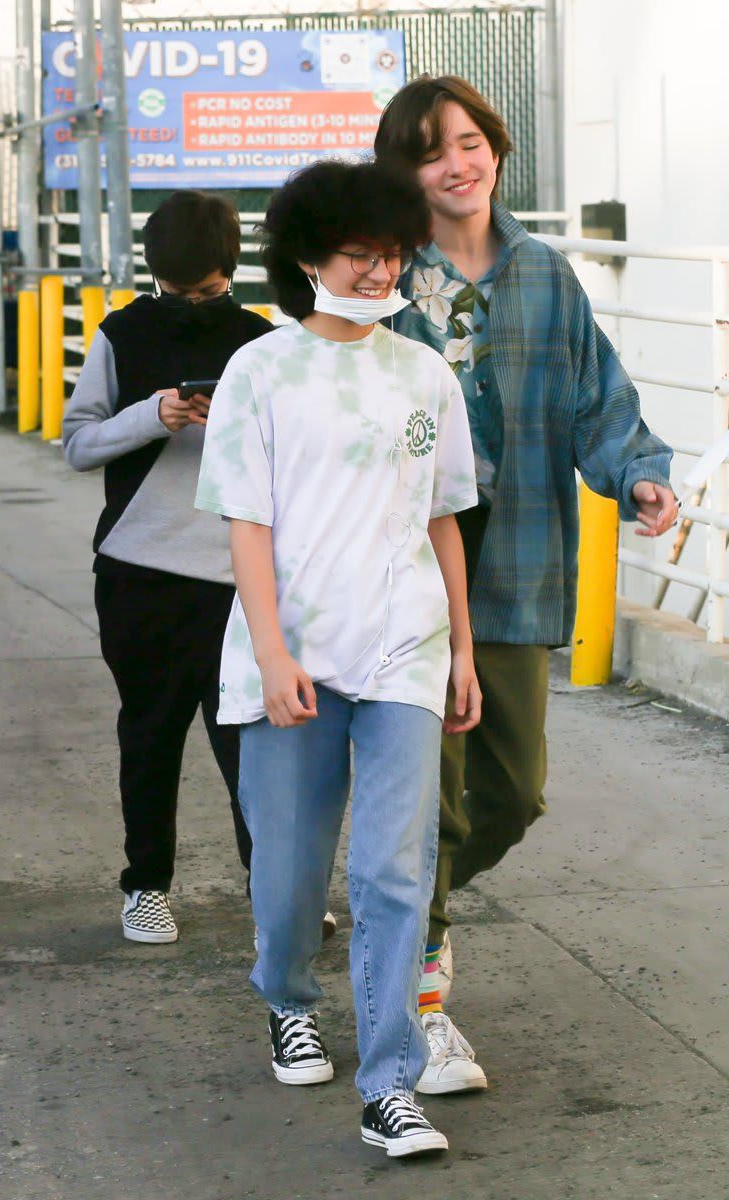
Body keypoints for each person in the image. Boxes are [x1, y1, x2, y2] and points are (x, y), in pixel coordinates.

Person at [374, 75, 677, 1092]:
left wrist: (636, 474)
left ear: (495, 147)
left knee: (511, 793)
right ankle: (419, 997)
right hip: (407, 575)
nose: (457, 164)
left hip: (515, 568)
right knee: (434, 805)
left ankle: (397, 905)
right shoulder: (381, 280)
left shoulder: (546, 275)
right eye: (430, 150)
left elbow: (599, 395)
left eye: (470, 141)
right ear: (402, 169)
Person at [195, 160, 480, 1158]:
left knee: (396, 870)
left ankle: (389, 1083)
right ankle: (286, 995)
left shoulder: (425, 372)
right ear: (309, 257)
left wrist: (462, 651)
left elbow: (444, 518)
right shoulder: (261, 371)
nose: (378, 271)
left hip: (404, 643)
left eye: (392, 255)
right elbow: (247, 523)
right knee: (290, 869)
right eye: (361, 255)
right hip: (295, 654)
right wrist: (270, 653)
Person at [62, 190, 277, 945]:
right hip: (138, 570)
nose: (196, 307)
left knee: (253, 745)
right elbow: (78, 442)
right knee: (149, 739)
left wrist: (237, 427)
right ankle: (146, 887)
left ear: (232, 272)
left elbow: (300, 455)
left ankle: (273, 890)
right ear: (155, 273)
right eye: (181, 295)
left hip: (237, 577)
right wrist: (152, 415)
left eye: (213, 293)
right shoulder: (121, 332)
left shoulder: (262, 340)